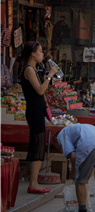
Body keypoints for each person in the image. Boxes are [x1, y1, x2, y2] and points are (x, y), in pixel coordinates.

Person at [19, 41, 59, 194]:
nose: (43, 54)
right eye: (40, 51)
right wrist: (49, 76)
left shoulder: (35, 69)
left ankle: (34, 181)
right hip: (34, 111)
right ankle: (33, 183)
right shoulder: (28, 69)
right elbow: (40, 90)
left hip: (38, 110)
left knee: (39, 143)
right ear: (33, 54)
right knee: (37, 144)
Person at [55, 124, 95, 212]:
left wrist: (73, 172)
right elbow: (90, 163)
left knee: (80, 179)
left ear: (55, 139)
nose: (60, 149)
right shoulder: (80, 128)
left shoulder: (62, 135)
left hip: (91, 146)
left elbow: (73, 156)